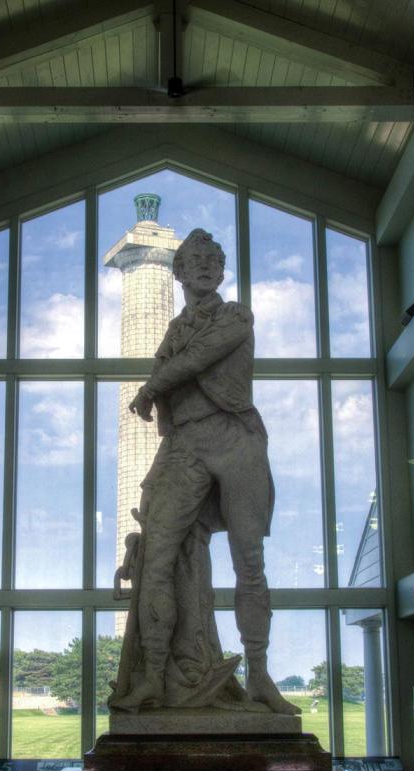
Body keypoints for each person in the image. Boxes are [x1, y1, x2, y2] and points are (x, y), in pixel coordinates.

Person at [110, 228, 299, 717]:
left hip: (235, 439)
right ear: (177, 272)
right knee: (158, 557)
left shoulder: (237, 315)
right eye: (194, 260)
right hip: (186, 443)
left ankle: (258, 674)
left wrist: (150, 388)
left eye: (213, 259)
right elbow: (178, 362)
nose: (205, 266)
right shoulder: (173, 328)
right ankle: (154, 676)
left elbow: (196, 361)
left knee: (248, 560)